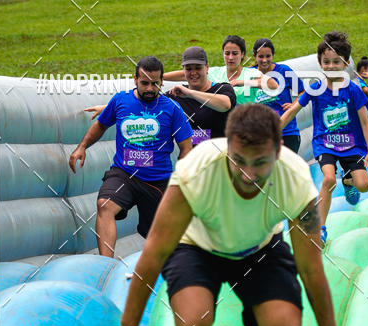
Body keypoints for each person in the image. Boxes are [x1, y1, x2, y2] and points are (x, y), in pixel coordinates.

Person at [107, 104, 345, 326]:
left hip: (259, 249)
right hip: (196, 246)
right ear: (228, 147)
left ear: (278, 151)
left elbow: (311, 268)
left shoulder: (295, 179)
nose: (248, 174)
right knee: (192, 325)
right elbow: (155, 251)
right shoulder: (198, 170)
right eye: (238, 160)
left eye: (260, 162)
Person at [69, 56, 193, 257]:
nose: (150, 88)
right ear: (135, 79)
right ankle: (106, 264)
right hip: (124, 174)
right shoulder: (121, 101)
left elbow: (186, 147)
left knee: (161, 236)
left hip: (158, 180)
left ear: (162, 82)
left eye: (155, 83)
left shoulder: (172, 109)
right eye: (144, 83)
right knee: (105, 205)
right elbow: (100, 125)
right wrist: (81, 147)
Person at [280, 31, 368, 244]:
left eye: (336, 62)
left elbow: (365, 122)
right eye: (326, 62)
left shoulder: (353, 90)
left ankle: (348, 180)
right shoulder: (316, 88)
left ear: (346, 63)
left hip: (352, 145)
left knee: (364, 185)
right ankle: (320, 228)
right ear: (320, 63)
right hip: (325, 143)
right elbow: (293, 110)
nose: (331, 66)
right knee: (329, 179)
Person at [165, 46, 237, 146]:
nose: (193, 73)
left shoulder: (222, 89)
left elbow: (225, 105)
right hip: (190, 154)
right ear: (183, 71)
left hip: (219, 153)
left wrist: (190, 93)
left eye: (198, 68)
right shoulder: (176, 95)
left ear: (207, 68)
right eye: (188, 69)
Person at [244, 38, 304, 153]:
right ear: (254, 56)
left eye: (268, 56)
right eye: (261, 56)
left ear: (273, 55)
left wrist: (294, 104)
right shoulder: (248, 73)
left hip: (287, 132)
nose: (264, 60)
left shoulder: (284, 70)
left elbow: (302, 91)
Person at [163, 35, 253, 86]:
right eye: (227, 53)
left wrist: (241, 82)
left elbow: (262, 83)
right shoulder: (214, 72)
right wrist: (160, 77)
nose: (230, 58)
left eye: (235, 53)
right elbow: (184, 74)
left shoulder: (251, 73)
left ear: (242, 54)